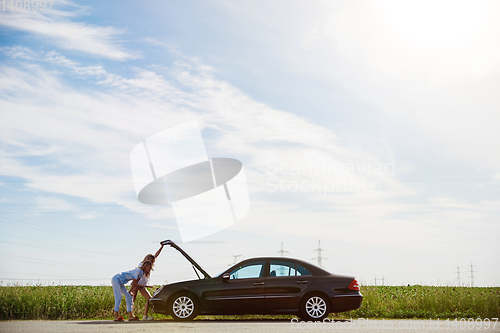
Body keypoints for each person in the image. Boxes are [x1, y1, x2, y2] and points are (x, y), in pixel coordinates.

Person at [130, 243, 164, 320]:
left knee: (149, 299)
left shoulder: (149, 264)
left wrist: (161, 247)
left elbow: (156, 255)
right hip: (137, 284)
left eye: (151, 261)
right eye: (149, 259)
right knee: (132, 300)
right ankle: (131, 315)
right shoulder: (141, 264)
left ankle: (145, 316)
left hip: (142, 285)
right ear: (145, 258)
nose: (150, 261)